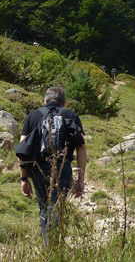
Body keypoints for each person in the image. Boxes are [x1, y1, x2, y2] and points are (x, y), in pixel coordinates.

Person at [18, 87, 87, 243]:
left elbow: (23, 147)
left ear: (45, 100)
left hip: (38, 169)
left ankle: (48, 245)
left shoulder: (33, 116)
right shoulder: (70, 115)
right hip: (63, 168)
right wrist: (80, 179)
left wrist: (24, 178)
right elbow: (81, 147)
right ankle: (55, 246)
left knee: (44, 206)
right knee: (58, 207)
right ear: (64, 102)